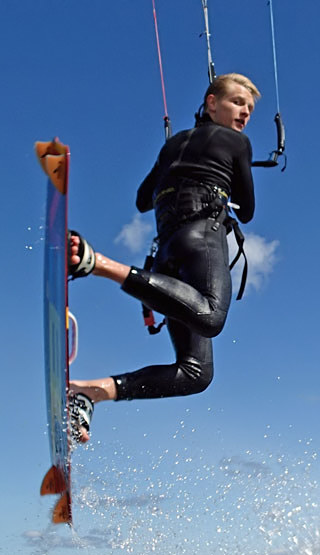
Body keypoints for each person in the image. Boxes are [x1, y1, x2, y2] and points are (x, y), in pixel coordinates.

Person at [67, 73, 259, 443]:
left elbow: (142, 200)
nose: (245, 113)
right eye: (237, 102)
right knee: (211, 316)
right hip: (201, 237)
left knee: (196, 373)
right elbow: (248, 209)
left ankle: (88, 392)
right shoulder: (238, 142)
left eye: (249, 108)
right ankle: (97, 263)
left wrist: (174, 159)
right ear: (211, 102)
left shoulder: (172, 147)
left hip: (168, 252)